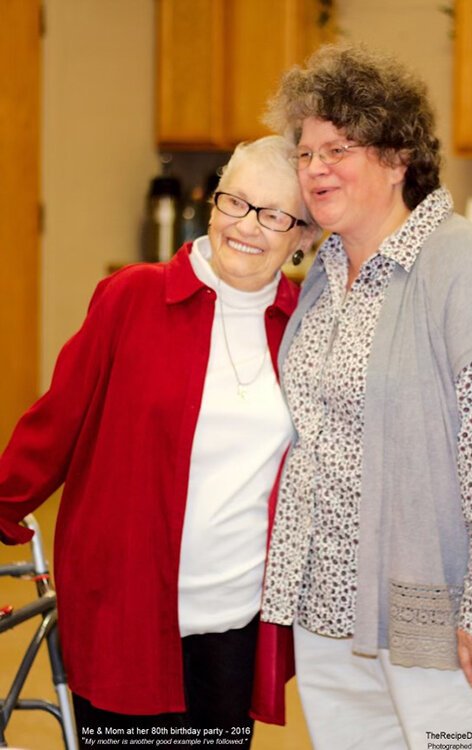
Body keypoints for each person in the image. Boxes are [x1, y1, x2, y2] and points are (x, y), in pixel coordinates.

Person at [261, 43, 472, 749]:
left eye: (340, 148)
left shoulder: (463, 270)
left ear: (396, 160)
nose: (316, 168)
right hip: (334, 612)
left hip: (446, 626)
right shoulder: (326, 272)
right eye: (306, 153)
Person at [0, 135, 317, 747]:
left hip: (235, 621)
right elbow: (57, 420)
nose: (247, 226)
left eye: (276, 214)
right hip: (124, 610)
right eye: (235, 202)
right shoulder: (132, 296)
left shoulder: (302, 326)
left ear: (302, 235)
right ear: (212, 202)